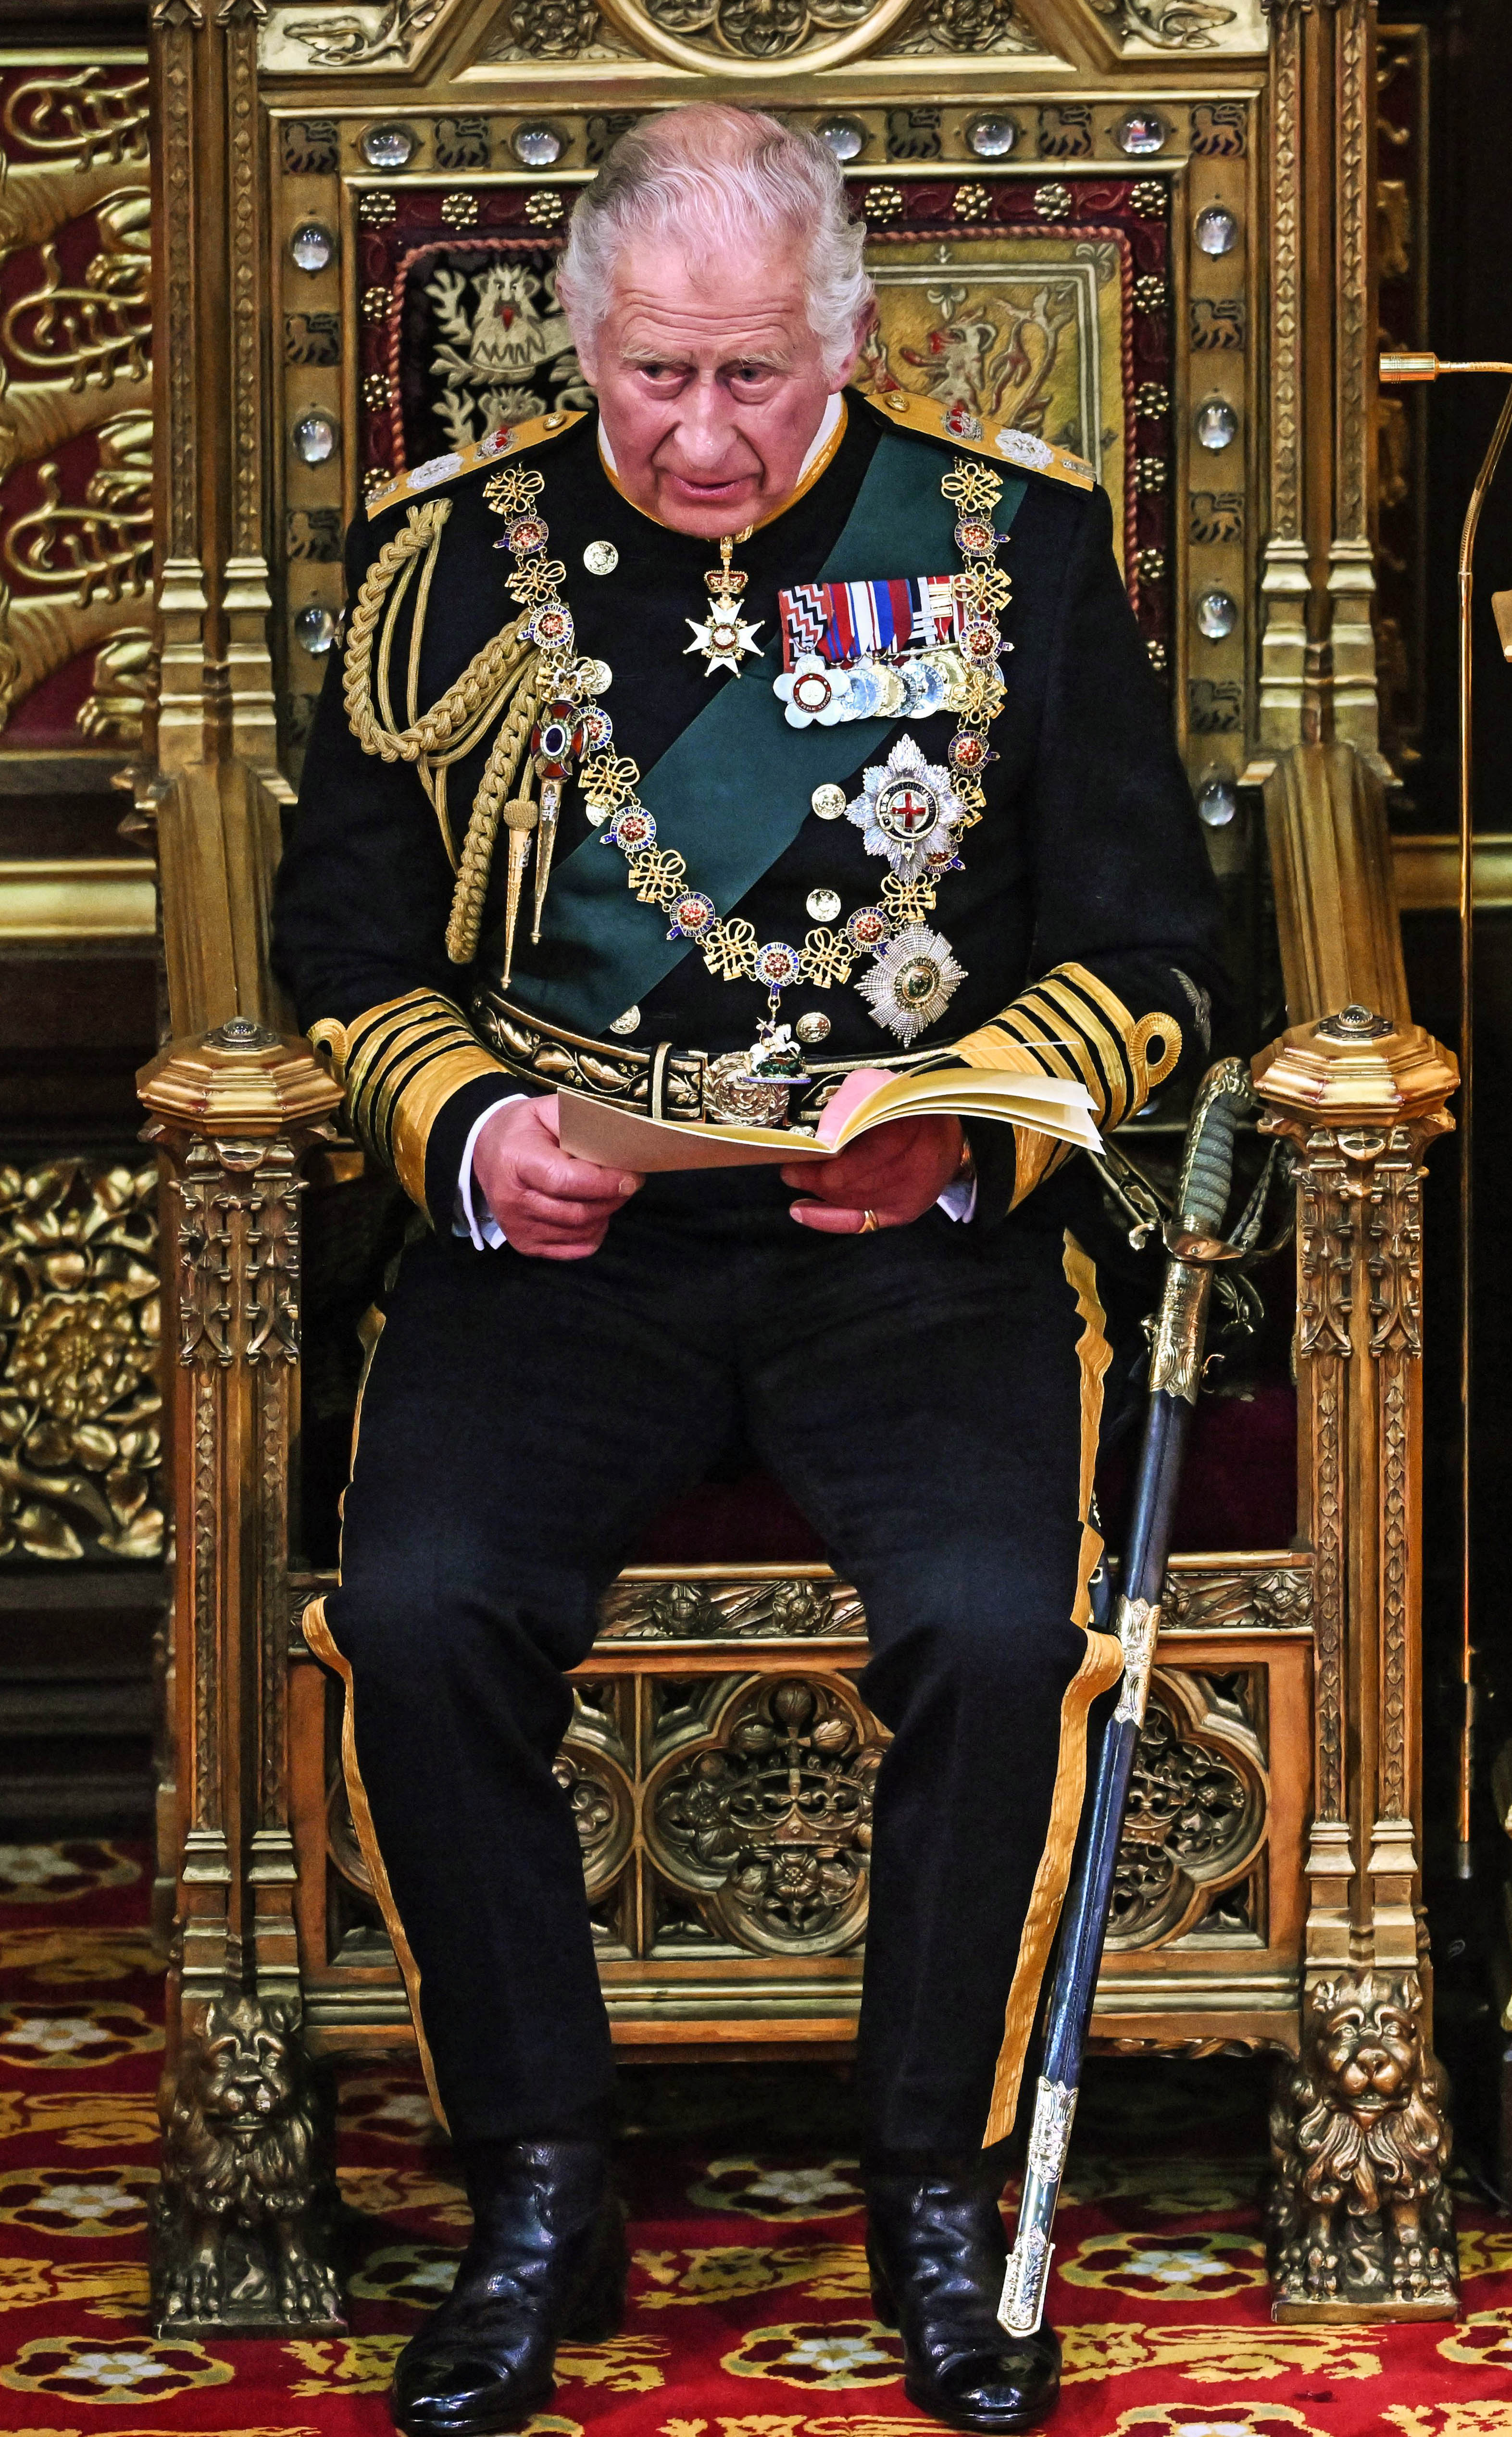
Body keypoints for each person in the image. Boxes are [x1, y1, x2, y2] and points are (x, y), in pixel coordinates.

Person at [274, 104, 1225, 2437]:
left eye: (755, 383)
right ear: (582, 345)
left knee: (1002, 1629)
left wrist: (960, 1136)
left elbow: (1162, 959)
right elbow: (342, 953)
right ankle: (536, 2179)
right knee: (417, 1607)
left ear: (845, 340)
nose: (701, 438)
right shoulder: (444, 576)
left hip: (906, 1252)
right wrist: (480, 1131)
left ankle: (932, 2176)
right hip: (562, 1260)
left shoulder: (1012, 551)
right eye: (653, 382)